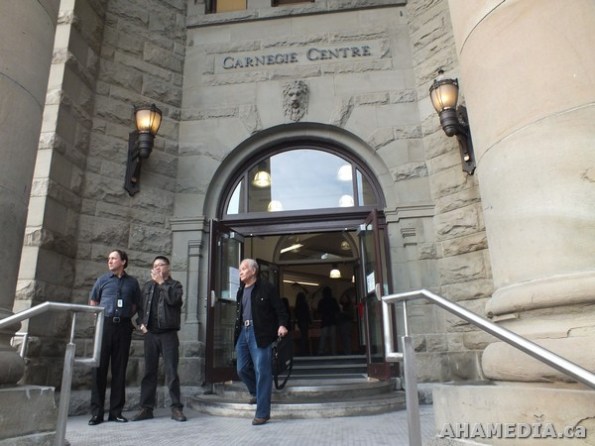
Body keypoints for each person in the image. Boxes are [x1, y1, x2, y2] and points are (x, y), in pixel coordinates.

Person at [234, 258, 289, 426]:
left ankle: (262, 413)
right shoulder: (240, 291)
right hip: (243, 331)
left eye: (244, 268)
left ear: (253, 271)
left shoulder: (267, 288)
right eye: (240, 269)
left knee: (262, 371)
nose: (241, 271)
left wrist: (282, 325)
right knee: (242, 368)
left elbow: (280, 309)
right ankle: (257, 393)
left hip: (260, 333)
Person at [88, 250, 141, 425]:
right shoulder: (102, 280)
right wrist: (100, 319)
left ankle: (116, 412)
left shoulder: (132, 282)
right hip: (105, 325)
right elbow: (94, 301)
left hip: (123, 327)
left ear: (123, 261)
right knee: (99, 369)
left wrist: (124, 316)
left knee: (120, 369)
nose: (109, 261)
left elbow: (135, 305)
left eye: (113, 258)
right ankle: (97, 413)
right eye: (109, 258)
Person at [132, 256, 187, 422]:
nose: (157, 268)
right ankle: (146, 408)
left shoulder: (175, 285)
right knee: (149, 372)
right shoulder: (148, 286)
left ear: (168, 267)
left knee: (171, 372)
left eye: (161, 265)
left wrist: (162, 283)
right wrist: (141, 324)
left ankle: (176, 408)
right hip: (150, 335)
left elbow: (174, 301)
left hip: (168, 334)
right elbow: (140, 308)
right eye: (155, 265)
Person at [317, 286, 340, 356]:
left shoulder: (321, 301)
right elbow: (337, 310)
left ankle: (321, 351)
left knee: (323, 337)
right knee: (333, 337)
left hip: (324, 321)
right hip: (332, 320)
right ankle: (333, 352)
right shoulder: (333, 300)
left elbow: (319, 311)